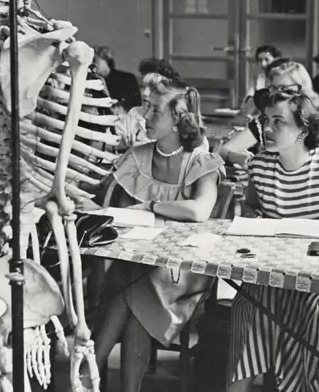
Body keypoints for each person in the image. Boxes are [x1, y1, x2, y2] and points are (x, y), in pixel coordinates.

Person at [91, 77, 223, 392]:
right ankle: (110, 382)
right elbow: (108, 206)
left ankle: (88, 372)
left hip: (183, 268)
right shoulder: (137, 156)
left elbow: (198, 211)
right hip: (141, 260)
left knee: (127, 290)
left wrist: (150, 205)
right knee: (131, 289)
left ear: (179, 120)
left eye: (155, 111)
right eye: (147, 107)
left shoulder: (201, 161)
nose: (145, 117)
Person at [228, 89, 319, 392]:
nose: (267, 129)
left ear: (304, 130)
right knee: (248, 304)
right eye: (265, 120)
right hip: (270, 273)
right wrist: (252, 221)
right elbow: (252, 209)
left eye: (278, 122)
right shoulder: (259, 166)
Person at [219, 60, 319, 167]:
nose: (278, 95)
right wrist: (240, 158)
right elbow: (223, 151)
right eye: (274, 89)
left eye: (286, 89)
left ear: (302, 90)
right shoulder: (265, 122)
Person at [93, 46, 142, 112]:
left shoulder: (127, 79)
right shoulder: (93, 81)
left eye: (94, 60)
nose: (92, 64)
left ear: (105, 59)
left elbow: (136, 106)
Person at [240, 45, 281, 117]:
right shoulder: (257, 75)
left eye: (267, 59)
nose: (263, 64)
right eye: (260, 60)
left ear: (276, 59)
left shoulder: (282, 76)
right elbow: (249, 96)